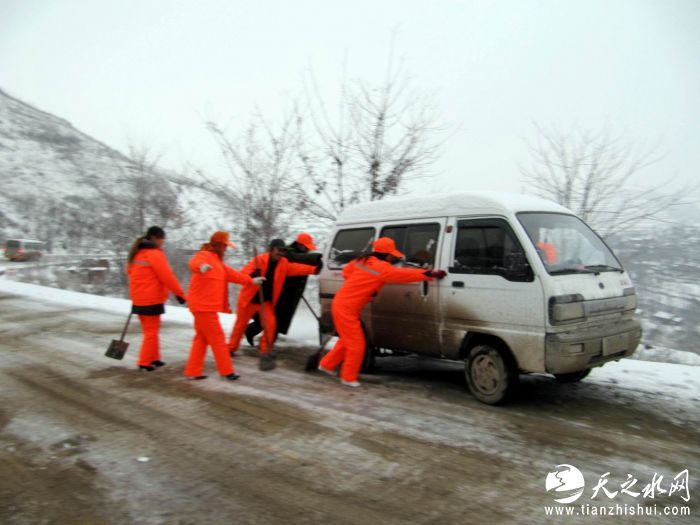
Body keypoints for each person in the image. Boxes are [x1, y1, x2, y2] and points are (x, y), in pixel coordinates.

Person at [318, 237, 447, 387]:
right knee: (357, 344)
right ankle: (348, 377)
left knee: (347, 340)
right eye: (392, 255)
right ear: (387, 255)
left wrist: (361, 283)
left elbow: (346, 272)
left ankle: (326, 365)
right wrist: (429, 274)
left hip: (343, 304)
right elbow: (404, 274)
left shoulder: (362, 261)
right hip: (346, 308)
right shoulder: (382, 268)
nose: (393, 258)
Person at [228, 238, 320, 370]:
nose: (281, 253)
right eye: (279, 250)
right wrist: (253, 276)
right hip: (249, 300)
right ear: (272, 249)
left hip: (265, 302)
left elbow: (297, 268)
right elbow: (243, 273)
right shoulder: (259, 260)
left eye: (283, 250)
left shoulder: (284, 263)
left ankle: (265, 352)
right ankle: (231, 348)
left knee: (271, 325)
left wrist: (314, 269)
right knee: (240, 325)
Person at [184, 231, 265, 381]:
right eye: (225, 246)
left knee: (201, 338)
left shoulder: (218, 263)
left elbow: (235, 275)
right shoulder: (205, 255)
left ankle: (193, 371)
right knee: (218, 338)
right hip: (203, 306)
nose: (226, 249)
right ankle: (227, 371)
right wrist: (201, 266)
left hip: (204, 306)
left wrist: (252, 281)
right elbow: (194, 262)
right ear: (218, 245)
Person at [244, 232, 322, 345]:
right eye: (306, 247)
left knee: (275, 321)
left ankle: (262, 341)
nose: (308, 250)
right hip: (280, 294)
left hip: (290, 295)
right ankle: (259, 339)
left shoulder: (298, 254)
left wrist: (314, 270)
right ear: (300, 245)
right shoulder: (287, 252)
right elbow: (299, 259)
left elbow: (301, 268)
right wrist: (316, 258)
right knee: (271, 320)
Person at [127, 226, 186, 372]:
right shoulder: (154, 254)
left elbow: (130, 272)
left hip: (138, 299)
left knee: (150, 331)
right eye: (162, 240)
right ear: (155, 238)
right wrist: (179, 294)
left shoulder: (137, 253)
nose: (162, 243)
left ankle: (154, 358)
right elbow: (167, 276)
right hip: (151, 299)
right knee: (151, 332)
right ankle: (144, 362)